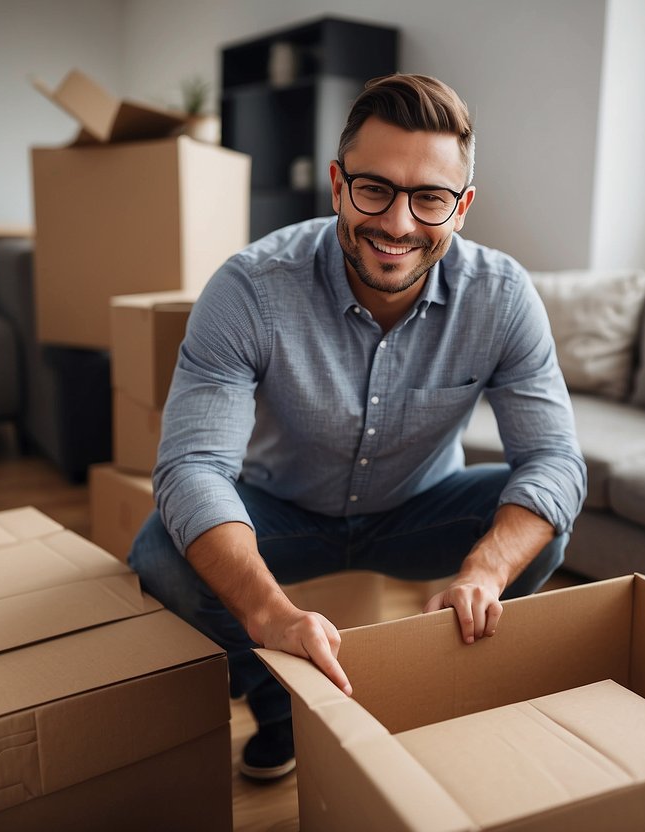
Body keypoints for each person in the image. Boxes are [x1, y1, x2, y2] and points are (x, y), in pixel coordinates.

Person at [128, 73, 586, 780]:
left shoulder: (501, 296)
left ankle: (445, 678)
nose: (398, 224)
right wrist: (268, 617)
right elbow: (190, 469)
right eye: (374, 189)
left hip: (417, 511)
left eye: (429, 198)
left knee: (541, 530)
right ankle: (278, 707)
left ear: (460, 208)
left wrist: (485, 570)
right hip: (283, 511)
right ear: (338, 185)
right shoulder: (250, 288)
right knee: (161, 552)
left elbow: (554, 460)